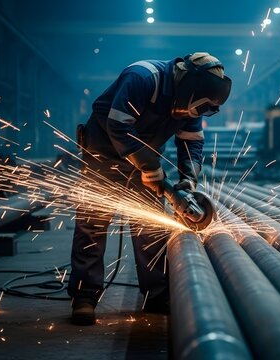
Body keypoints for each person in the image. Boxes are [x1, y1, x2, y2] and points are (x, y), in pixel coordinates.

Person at [68, 52, 232, 325]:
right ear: (188, 84)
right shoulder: (143, 78)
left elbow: (191, 143)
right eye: (197, 106)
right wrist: (150, 168)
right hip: (104, 151)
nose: (196, 113)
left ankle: (155, 295)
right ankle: (84, 297)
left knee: (150, 225)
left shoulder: (192, 101)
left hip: (147, 154)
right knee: (94, 220)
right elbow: (118, 127)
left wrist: (187, 180)